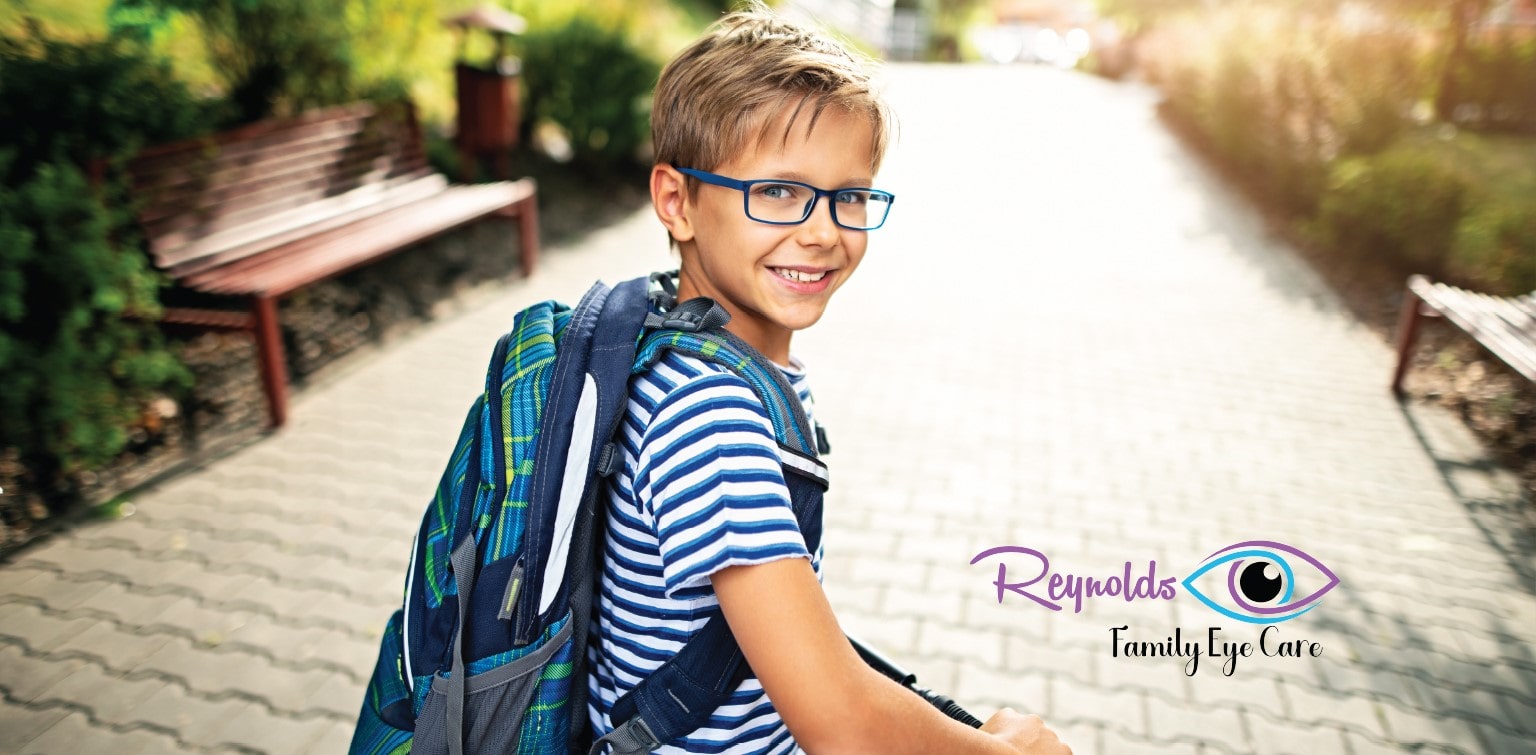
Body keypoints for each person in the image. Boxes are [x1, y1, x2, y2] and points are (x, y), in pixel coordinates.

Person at [586, 6, 1072, 754]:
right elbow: (840, 723)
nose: (822, 230)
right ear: (677, 201)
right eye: (777, 192)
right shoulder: (708, 411)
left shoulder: (698, 352)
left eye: (850, 195)